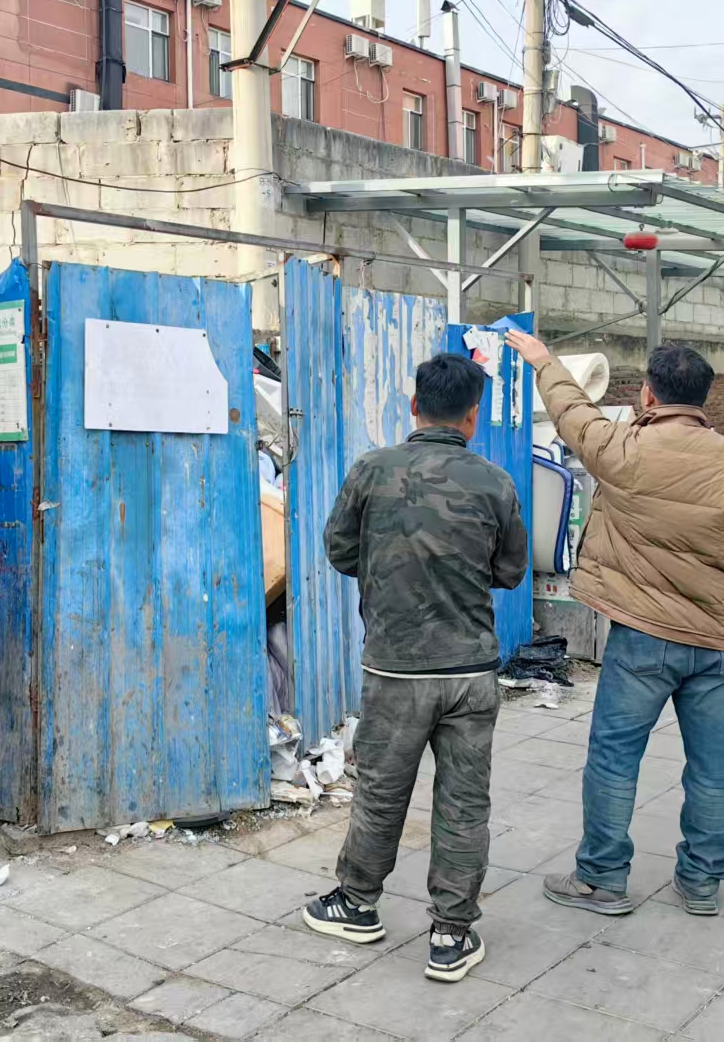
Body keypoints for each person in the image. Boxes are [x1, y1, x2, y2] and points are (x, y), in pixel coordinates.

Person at [505, 332, 724, 918]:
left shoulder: (622, 448)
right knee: (712, 768)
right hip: (719, 643)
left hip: (643, 639)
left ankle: (602, 879)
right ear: (703, 398)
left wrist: (543, 361)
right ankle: (702, 882)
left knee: (614, 758)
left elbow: (573, 413)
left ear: (648, 395)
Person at [304, 353, 528, 983]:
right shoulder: (494, 482)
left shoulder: (372, 470)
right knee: (464, 802)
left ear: (414, 407)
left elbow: (340, 550)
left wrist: (391, 567)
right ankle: (451, 934)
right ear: (472, 417)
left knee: (381, 792)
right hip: (470, 671)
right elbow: (511, 571)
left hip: (396, 670)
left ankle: (356, 904)